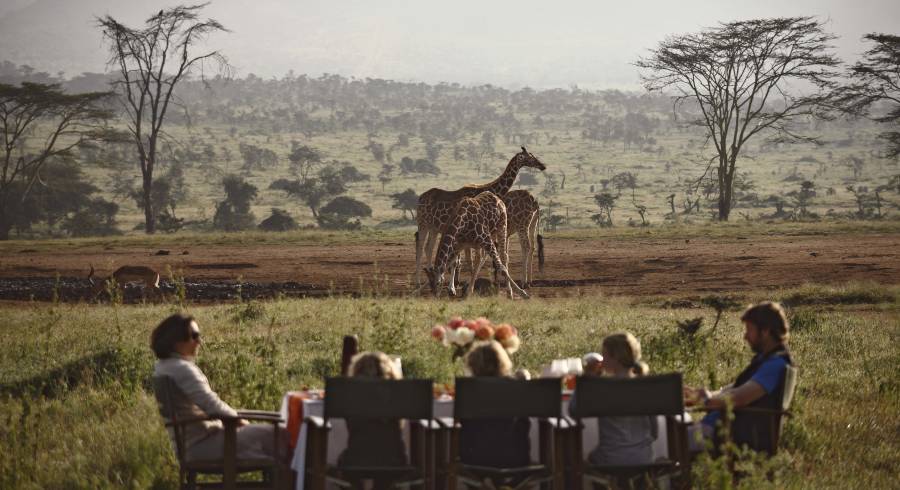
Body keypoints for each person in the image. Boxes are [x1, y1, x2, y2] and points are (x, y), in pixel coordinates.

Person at [151, 313, 287, 463]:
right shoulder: (182, 369)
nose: (199, 341)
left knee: (274, 436)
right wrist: (240, 421)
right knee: (284, 435)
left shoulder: (162, 367)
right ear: (176, 340)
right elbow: (212, 405)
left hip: (190, 445)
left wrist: (236, 418)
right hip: (206, 444)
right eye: (194, 336)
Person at [684, 301, 793, 454]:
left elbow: (739, 398)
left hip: (732, 436)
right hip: (723, 429)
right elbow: (734, 389)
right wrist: (699, 395)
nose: (745, 336)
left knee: (664, 441)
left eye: (749, 330)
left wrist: (706, 400)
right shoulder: (767, 360)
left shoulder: (775, 365)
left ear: (765, 331)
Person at [569, 332, 658, 467]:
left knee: (583, 461)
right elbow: (654, 433)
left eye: (604, 355)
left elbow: (573, 410)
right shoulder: (647, 387)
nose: (602, 360)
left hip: (610, 459)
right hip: (644, 459)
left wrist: (586, 380)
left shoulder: (602, 388)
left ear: (615, 357)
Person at [459, 340, 531, 469]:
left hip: (473, 458)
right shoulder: (514, 387)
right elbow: (524, 423)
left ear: (472, 364)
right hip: (515, 457)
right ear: (502, 362)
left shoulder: (468, 391)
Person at [337, 351, 408, 471]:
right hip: (394, 461)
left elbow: (351, 427)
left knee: (346, 461)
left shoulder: (351, 399)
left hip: (356, 459)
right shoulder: (396, 397)